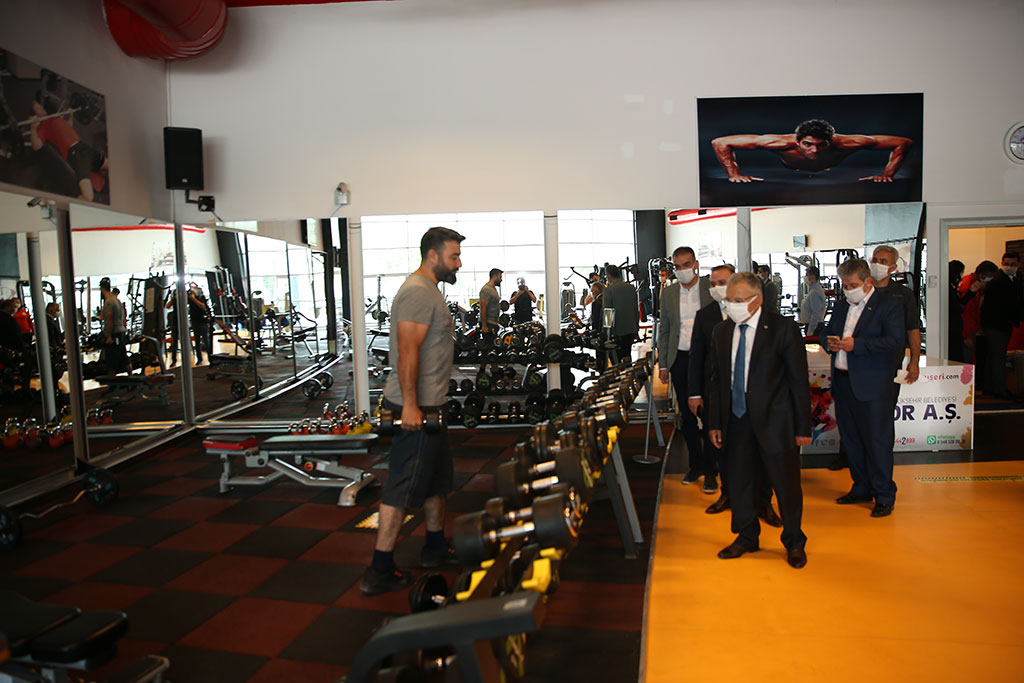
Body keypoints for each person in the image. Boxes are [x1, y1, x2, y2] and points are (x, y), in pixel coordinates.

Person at [362, 226, 465, 596]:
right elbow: (407, 351)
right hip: (415, 408)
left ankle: (434, 548)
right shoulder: (417, 292)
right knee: (402, 487)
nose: (458, 263)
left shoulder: (429, 291)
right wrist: (409, 406)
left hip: (430, 405)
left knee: (437, 481)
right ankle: (379, 569)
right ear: (433, 255)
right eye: (453, 256)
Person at [706, 271, 811, 569]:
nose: (732, 306)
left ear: (757, 300)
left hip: (776, 422)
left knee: (785, 485)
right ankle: (747, 536)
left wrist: (802, 427)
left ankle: (794, 541)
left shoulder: (782, 329)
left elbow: (798, 381)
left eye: (739, 300)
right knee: (739, 482)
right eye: (729, 300)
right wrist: (715, 422)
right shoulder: (722, 331)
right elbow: (717, 381)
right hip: (736, 420)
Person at [687, 264, 783, 524]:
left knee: (762, 453)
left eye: (723, 282)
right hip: (720, 395)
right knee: (724, 450)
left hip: (758, 398)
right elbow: (697, 356)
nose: (717, 288)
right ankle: (728, 494)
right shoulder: (705, 315)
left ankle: (764, 501)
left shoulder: (765, 317)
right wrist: (694, 393)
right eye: (713, 283)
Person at [822, 258, 905, 517]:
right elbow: (826, 332)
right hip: (843, 381)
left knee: (877, 441)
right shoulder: (841, 306)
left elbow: (895, 341)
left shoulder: (888, 306)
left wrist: (857, 345)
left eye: (852, 285)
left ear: (868, 281)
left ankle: (884, 494)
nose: (848, 290)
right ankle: (861, 487)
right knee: (852, 440)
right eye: (845, 285)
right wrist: (829, 343)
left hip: (873, 384)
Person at [656, 247, 714, 488]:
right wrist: (663, 363)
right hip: (680, 359)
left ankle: (712, 470)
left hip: (708, 360)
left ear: (696, 264)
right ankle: (695, 465)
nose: (682, 270)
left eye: (686, 265)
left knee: (710, 416)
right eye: (677, 266)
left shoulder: (710, 289)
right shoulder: (669, 293)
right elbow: (664, 330)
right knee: (687, 417)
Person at [711, 119, 913, 183]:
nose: (815, 150)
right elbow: (720, 143)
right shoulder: (779, 142)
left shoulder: (849, 142)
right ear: (797, 141)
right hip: (791, 166)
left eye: (821, 145)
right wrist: (734, 174)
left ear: (830, 141)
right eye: (808, 144)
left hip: (830, 166)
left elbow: (902, 143)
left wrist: (887, 174)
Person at [29, 99, 109, 202]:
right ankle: (72, 204)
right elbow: (37, 146)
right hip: (75, 154)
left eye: (40, 106)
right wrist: (33, 128)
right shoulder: (42, 127)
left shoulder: (55, 117)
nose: (41, 108)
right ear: (35, 114)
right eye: (38, 108)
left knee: (112, 168)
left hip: (83, 147)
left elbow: (68, 128)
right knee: (88, 197)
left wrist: (71, 116)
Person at [869, 245, 922, 385]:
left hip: (891, 360)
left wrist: (914, 361)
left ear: (892, 268)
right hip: (862, 360)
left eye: (883, 261)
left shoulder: (903, 295)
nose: (877, 264)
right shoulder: (860, 292)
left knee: (888, 397)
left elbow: (912, 328)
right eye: (874, 260)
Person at [978, 252, 1023, 399]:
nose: (1009, 267)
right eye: (1007, 264)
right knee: (998, 356)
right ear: (1002, 263)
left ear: (1019, 264)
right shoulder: (997, 281)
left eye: (1013, 264)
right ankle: (1000, 389)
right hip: (995, 324)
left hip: (1003, 323)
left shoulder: (1015, 279)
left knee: (993, 355)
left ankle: (989, 386)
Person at [959, 261, 998, 363]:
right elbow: (965, 312)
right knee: (967, 362)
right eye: (990, 276)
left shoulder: (978, 285)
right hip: (967, 329)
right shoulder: (968, 284)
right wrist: (966, 336)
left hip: (973, 328)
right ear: (981, 274)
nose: (990, 279)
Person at [601, 264, 639, 363]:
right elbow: (635, 309)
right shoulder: (631, 288)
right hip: (630, 328)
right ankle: (629, 371)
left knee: (616, 359)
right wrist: (636, 328)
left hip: (616, 330)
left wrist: (606, 332)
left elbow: (608, 312)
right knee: (627, 355)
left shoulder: (608, 290)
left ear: (609, 275)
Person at [947, 260, 979, 363]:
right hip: (954, 330)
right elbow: (957, 307)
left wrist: (971, 292)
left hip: (956, 329)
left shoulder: (952, 287)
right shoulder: (949, 289)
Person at [100, 281, 126, 374]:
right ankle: (131, 376)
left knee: (111, 360)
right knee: (124, 357)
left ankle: (112, 380)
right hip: (121, 331)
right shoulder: (117, 300)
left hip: (114, 333)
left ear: (102, 289)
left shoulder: (109, 301)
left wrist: (109, 336)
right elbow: (123, 317)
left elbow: (109, 319)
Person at [187, 283, 212, 365]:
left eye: (193, 287)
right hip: (194, 321)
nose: (192, 289)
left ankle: (210, 358)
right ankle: (199, 359)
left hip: (203, 321)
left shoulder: (201, 297)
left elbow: (203, 306)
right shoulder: (189, 298)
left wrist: (194, 299)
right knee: (197, 341)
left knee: (206, 340)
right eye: (191, 287)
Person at [799, 266, 827, 336]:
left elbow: (815, 314)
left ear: (812, 277)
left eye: (807, 275)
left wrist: (810, 331)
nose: (805, 277)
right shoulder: (813, 290)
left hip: (815, 328)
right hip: (814, 326)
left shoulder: (815, 292)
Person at [478, 268, 502, 338]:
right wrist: (484, 326)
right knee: (489, 344)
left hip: (493, 323)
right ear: (495, 276)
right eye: (500, 277)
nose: (501, 279)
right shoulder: (486, 289)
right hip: (488, 324)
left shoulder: (493, 289)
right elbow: (483, 308)